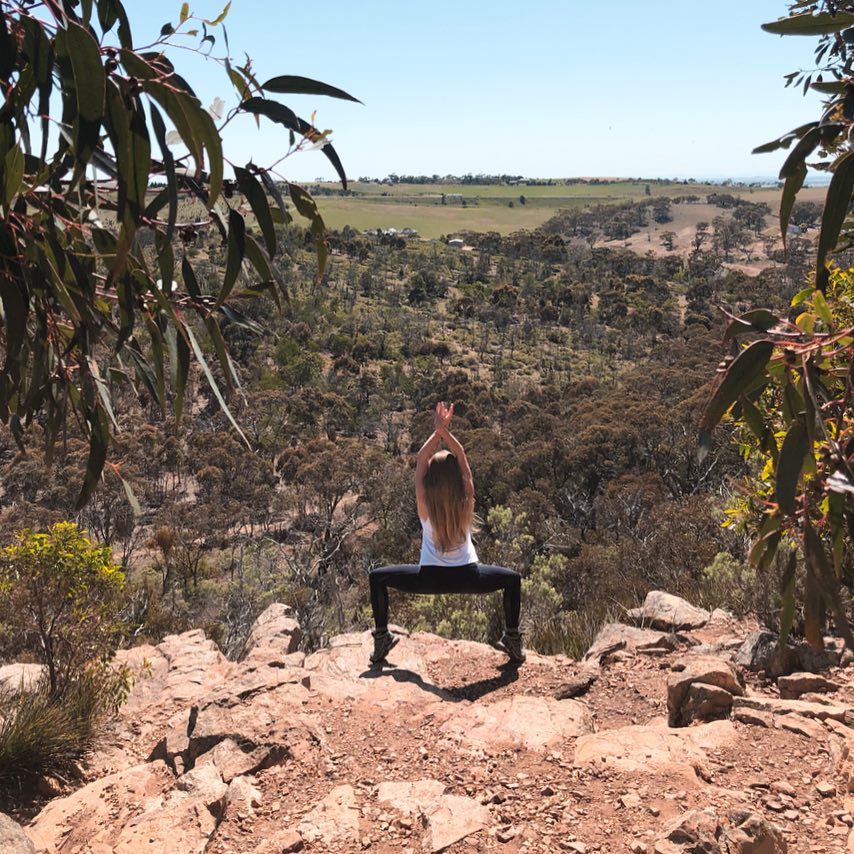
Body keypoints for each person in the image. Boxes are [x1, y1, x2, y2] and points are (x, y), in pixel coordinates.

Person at [368, 402, 524, 666]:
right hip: (469, 576)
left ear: (430, 482)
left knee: (377, 578)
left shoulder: (424, 503)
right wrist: (446, 433)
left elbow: (420, 460)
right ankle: (512, 638)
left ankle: (382, 637)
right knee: (513, 580)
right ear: (458, 480)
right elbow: (462, 457)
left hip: (429, 578)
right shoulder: (466, 500)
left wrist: (436, 432)